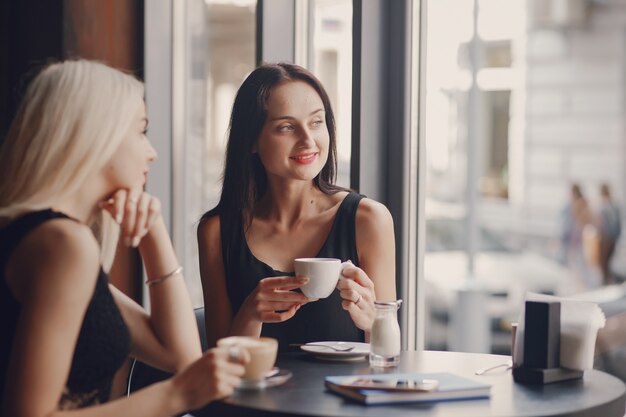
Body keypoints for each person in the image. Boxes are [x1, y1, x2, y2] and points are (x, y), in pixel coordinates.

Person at [0, 60, 248, 417]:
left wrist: (153, 231)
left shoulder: (43, 238)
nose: (152, 151)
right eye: (141, 130)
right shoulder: (64, 245)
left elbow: (177, 355)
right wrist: (175, 396)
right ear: (96, 133)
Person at [197, 62, 396, 351]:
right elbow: (219, 365)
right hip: (252, 396)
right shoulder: (216, 231)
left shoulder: (368, 220)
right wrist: (251, 313)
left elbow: (390, 361)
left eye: (317, 122)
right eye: (287, 127)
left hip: (341, 396)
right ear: (252, 140)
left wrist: (373, 324)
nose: (308, 140)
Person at [559, 183, 598, 288]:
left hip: (576, 236)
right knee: (579, 262)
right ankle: (584, 283)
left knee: (579, 262)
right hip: (580, 235)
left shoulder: (576, 203)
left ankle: (585, 284)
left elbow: (571, 221)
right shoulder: (582, 202)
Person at [597, 184, 621, 285]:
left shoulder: (605, 205)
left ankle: (606, 283)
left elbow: (605, 223)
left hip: (606, 237)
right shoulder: (614, 204)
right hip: (613, 237)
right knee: (608, 261)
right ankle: (607, 282)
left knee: (604, 262)